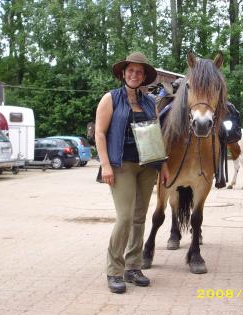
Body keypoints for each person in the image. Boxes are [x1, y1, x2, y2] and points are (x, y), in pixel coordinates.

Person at [95, 52, 169, 294]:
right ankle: (114, 270)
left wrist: (164, 166)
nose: (134, 75)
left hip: (147, 166)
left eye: (139, 72)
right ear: (123, 73)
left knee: (139, 217)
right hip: (121, 165)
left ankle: (133, 267)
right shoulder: (111, 98)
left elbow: (156, 135)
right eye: (131, 71)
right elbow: (100, 133)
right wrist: (105, 164)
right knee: (125, 217)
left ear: (144, 76)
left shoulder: (149, 102)